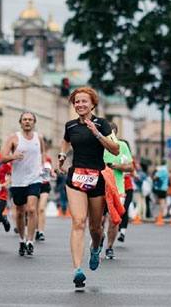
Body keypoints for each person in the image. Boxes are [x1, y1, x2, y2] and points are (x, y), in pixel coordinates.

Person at [56, 86, 121, 290]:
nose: (80, 105)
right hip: (76, 176)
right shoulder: (70, 125)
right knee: (77, 222)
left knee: (95, 227)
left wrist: (98, 134)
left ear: (93, 104)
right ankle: (77, 270)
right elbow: (66, 142)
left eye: (84, 101)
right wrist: (62, 155)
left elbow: (115, 149)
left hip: (97, 178)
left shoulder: (102, 124)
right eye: (76, 102)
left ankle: (95, 247)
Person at [0, 111, 46, 257]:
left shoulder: (39, 137)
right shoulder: (14, 138)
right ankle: (21, 239)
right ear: (20, 122)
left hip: (34, 178)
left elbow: (43, 153)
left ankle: (30, 241)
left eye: (30, 119)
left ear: (34, 122)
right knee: (20, 212)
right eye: (25, 119)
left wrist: (45, 169)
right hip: (18, 181)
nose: (27, 122)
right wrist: (13, 156)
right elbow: (2, 157)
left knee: (32, 209)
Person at [102, 121, 133, 259]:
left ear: (116, 133)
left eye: (112, 132)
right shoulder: (98, 145)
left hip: (117, 189)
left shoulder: (122, 146)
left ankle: (109, 247)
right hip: (100, 187)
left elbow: (130, 167)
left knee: (114, 220)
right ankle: (98, 239)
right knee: (98, 221)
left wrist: (116, 166)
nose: (110, 135)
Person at [36, 154, 56, 241]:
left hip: (45, 186)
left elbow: (50, 171)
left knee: (41, 209)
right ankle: (36, 229)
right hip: (34, 185)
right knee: (34, 210)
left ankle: (41, 232)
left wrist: (53, 173)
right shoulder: (32, 157)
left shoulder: (48, 158)